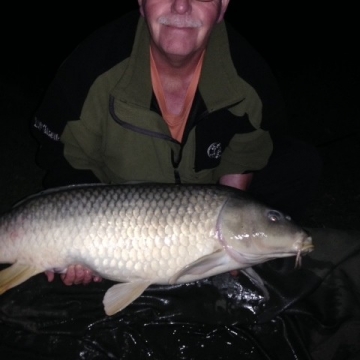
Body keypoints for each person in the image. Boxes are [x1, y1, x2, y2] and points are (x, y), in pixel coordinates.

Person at [31, 0, 321, 286]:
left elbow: (245, 158)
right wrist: (78, 242)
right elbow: (63, 156)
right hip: (112, 205)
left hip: (201, 200)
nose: (181, 6)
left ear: (222, 7)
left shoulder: (250, 75)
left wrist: (225, 246)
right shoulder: (92, 63)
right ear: (142, 3)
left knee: (297, 164)